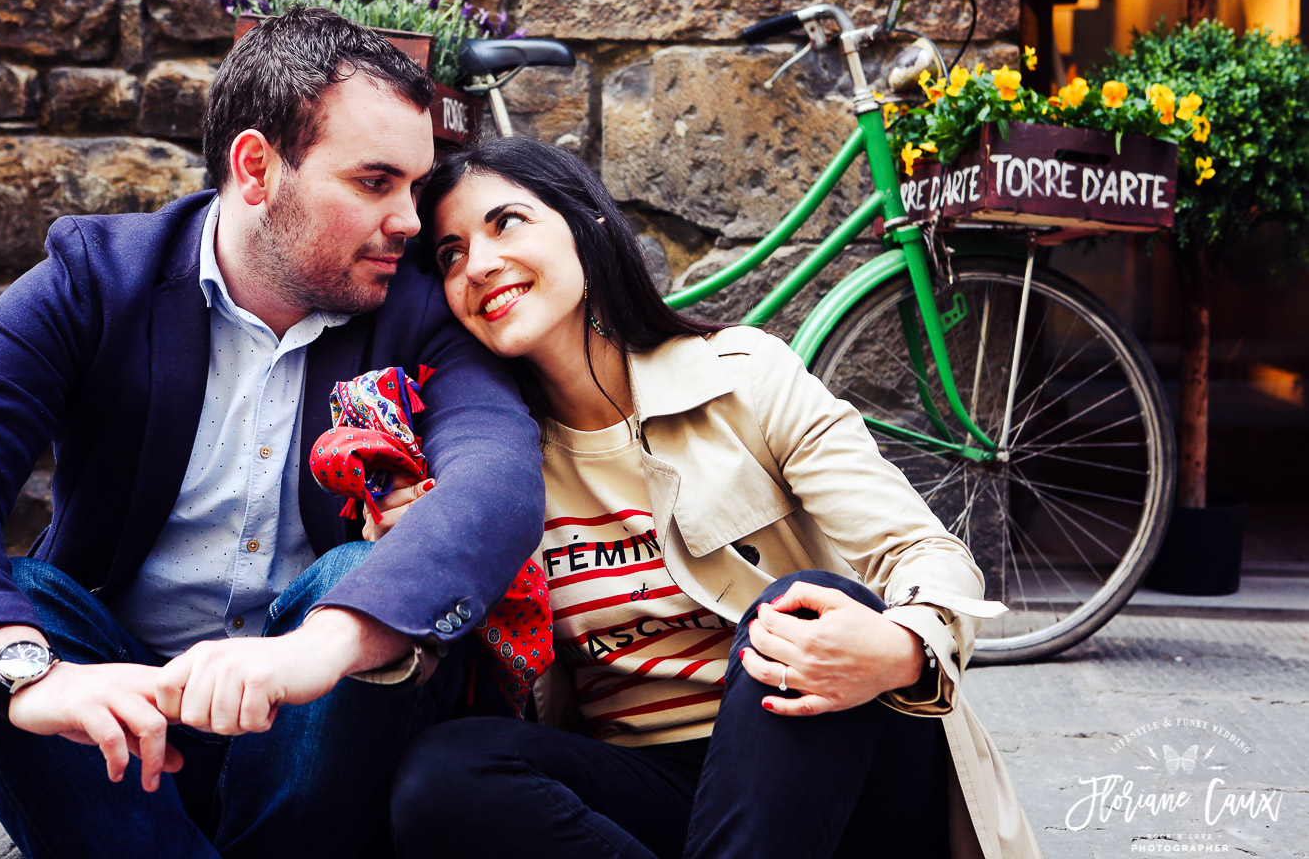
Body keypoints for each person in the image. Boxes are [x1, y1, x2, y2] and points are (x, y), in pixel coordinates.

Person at [0, 8, 544, 858]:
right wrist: (20, 671)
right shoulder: (97, 278)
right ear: (257, 168)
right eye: (375, 183)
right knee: (23, 598)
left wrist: (322, 647)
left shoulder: (415, 308)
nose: (411, 220)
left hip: (319, 729)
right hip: (117, 720)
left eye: (416, 185)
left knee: (363, 573)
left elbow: (498, 476)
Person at [382, 136, 1043, 859]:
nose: (477, 264)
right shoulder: (488, 463)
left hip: (831, 762)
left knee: (797, 608)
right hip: (655, 790)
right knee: (447, 771)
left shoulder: (744, 377)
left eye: (506, 223)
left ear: (588, 226)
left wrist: (905, 645)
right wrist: (424, 545)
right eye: (449, 253)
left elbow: (923, 550)